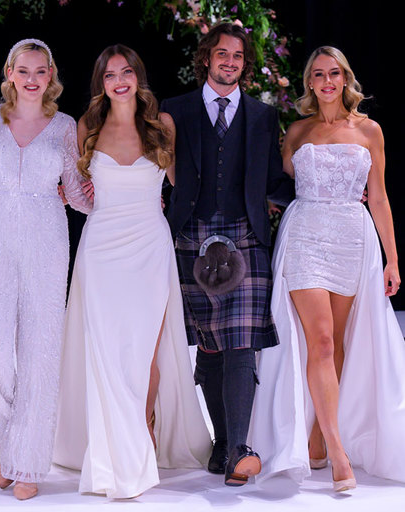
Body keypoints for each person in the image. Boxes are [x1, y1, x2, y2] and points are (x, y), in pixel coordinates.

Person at [53, 44, 211, 499]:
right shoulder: (87, 126)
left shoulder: (162, 126)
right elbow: (77, 188)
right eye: (109, 74)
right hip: (101, 247)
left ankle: (141, 434)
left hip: (149, 245)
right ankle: (113, 451)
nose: (118, 80)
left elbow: (185, 182)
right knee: (106, 350)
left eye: (126, 72)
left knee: (146, 351)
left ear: (138, 78)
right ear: (100, 82)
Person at [250, 46, 405, 491]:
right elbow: (281, 185)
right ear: (310, 83)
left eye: (334, 73)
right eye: (318, 74)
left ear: (345, 78)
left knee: (335, 345)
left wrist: (392, 258)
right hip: (305, 236)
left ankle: (319, 435)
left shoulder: (369, 130)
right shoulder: (297, 131)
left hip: (352, 239)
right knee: (317, 340)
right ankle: (338, 454)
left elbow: (378, 196)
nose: (327, 81)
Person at [159, 22, 294, 486]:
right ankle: (223, 441)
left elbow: (274, 179)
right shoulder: (174, 111)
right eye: (222, 54)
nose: (230, 63)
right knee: (212, 345)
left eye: (238, 56)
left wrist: (323, 193)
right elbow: (151, 162)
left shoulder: (262, 116)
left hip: (247, 236)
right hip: (191, 236)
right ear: (207, 58)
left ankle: (238, 448)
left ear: (245, 63)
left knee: (242, 343)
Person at [0, 38, 92, 501]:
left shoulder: (65, 125)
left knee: (41, 353)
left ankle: (28, 464)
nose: (31, 79)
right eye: (23, 71)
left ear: (51, 75)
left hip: (47, 239)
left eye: (39, 71)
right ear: (9, 72)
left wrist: (125, 194)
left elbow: (78, 190)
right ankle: (11, 445)